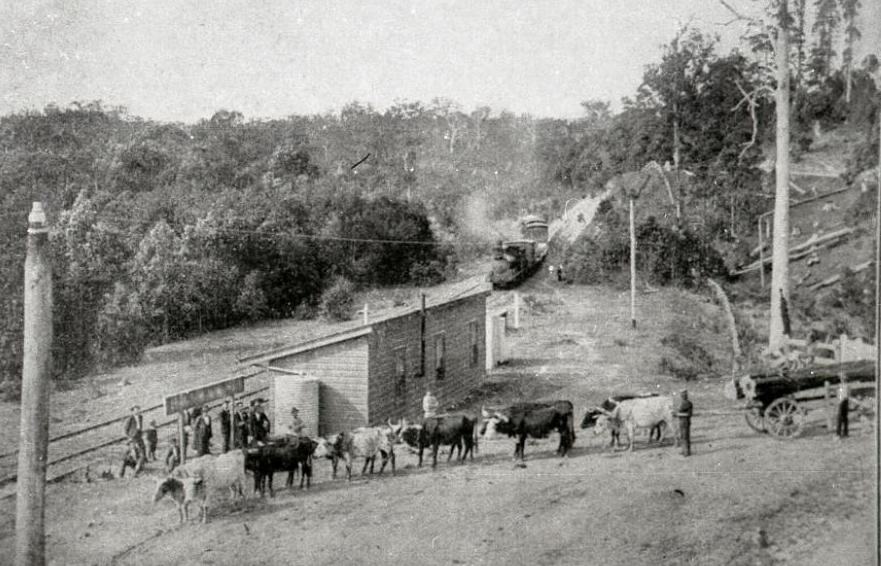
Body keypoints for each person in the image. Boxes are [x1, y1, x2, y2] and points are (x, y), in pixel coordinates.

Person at [122, 405, 147, 470]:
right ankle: (135, 465)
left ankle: (143, 461)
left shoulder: (141, 417)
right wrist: (129, 437)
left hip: (139, 435)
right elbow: (125, 429)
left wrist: (141, 432)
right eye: (136, 410)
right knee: (134, 450)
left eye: (138, 410)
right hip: (132, 437)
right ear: (133, 411)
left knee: (143, 448)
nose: (137, 411)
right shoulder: (130, 419)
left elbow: (140, 426)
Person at [676, 390, 693, 456]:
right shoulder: (685, 402)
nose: (682, 396)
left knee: (685, 437)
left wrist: (677, 414)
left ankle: (686, 452)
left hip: (685, 421)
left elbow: (688, 414)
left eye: (682, 395)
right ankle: (684, 450)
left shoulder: (686, 403)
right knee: (683, 436)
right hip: (683, 421)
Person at [836, 375, 850, 440]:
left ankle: (845, 433)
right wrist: (839, 401)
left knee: (844, 418)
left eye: (844, 378)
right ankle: (839, 433)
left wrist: (844, 400)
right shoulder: (839, 386)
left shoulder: (847, 386)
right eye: (841, 378)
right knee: (840, 418)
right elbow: (838, 394)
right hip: (841, 402)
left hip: (845, 401)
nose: (842, 379)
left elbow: (848, 394)